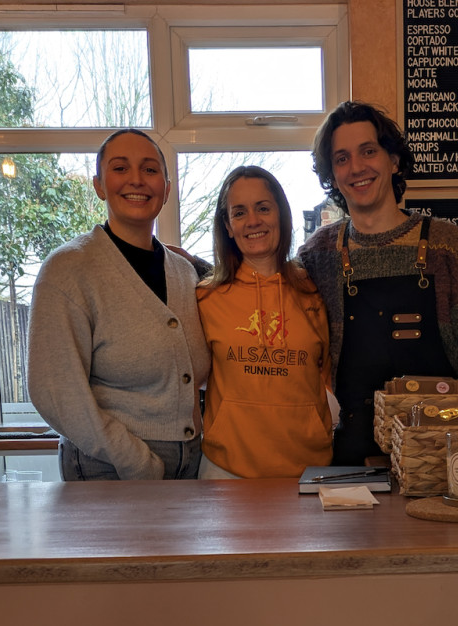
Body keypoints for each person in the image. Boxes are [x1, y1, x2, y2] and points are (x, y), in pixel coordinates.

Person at [298, 100, 458, 465]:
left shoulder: (447, 246)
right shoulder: (319, 254)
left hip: (443, 459)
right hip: (348, 463)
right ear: (332, 174)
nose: (357, 167)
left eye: (368, 151)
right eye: (342, 158)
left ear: (393, 160)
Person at [27, 129, 210, 480]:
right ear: (99, 185)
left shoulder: (184, 272)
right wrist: (135, 461)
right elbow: (55, 392)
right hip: (109, 467)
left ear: (166, 189)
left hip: (191, 465)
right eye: (120, 168)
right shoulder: (68, 269)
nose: (137, 179)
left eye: (150, 169)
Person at [196, 165, 333, 479]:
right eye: (239, 212)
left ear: (280, 215)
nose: (253, 221)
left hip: (308, 468)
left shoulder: (314, 291)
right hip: (226, 469)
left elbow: (328, 371)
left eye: (263, 208)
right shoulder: (206, 297)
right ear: (228, 226)